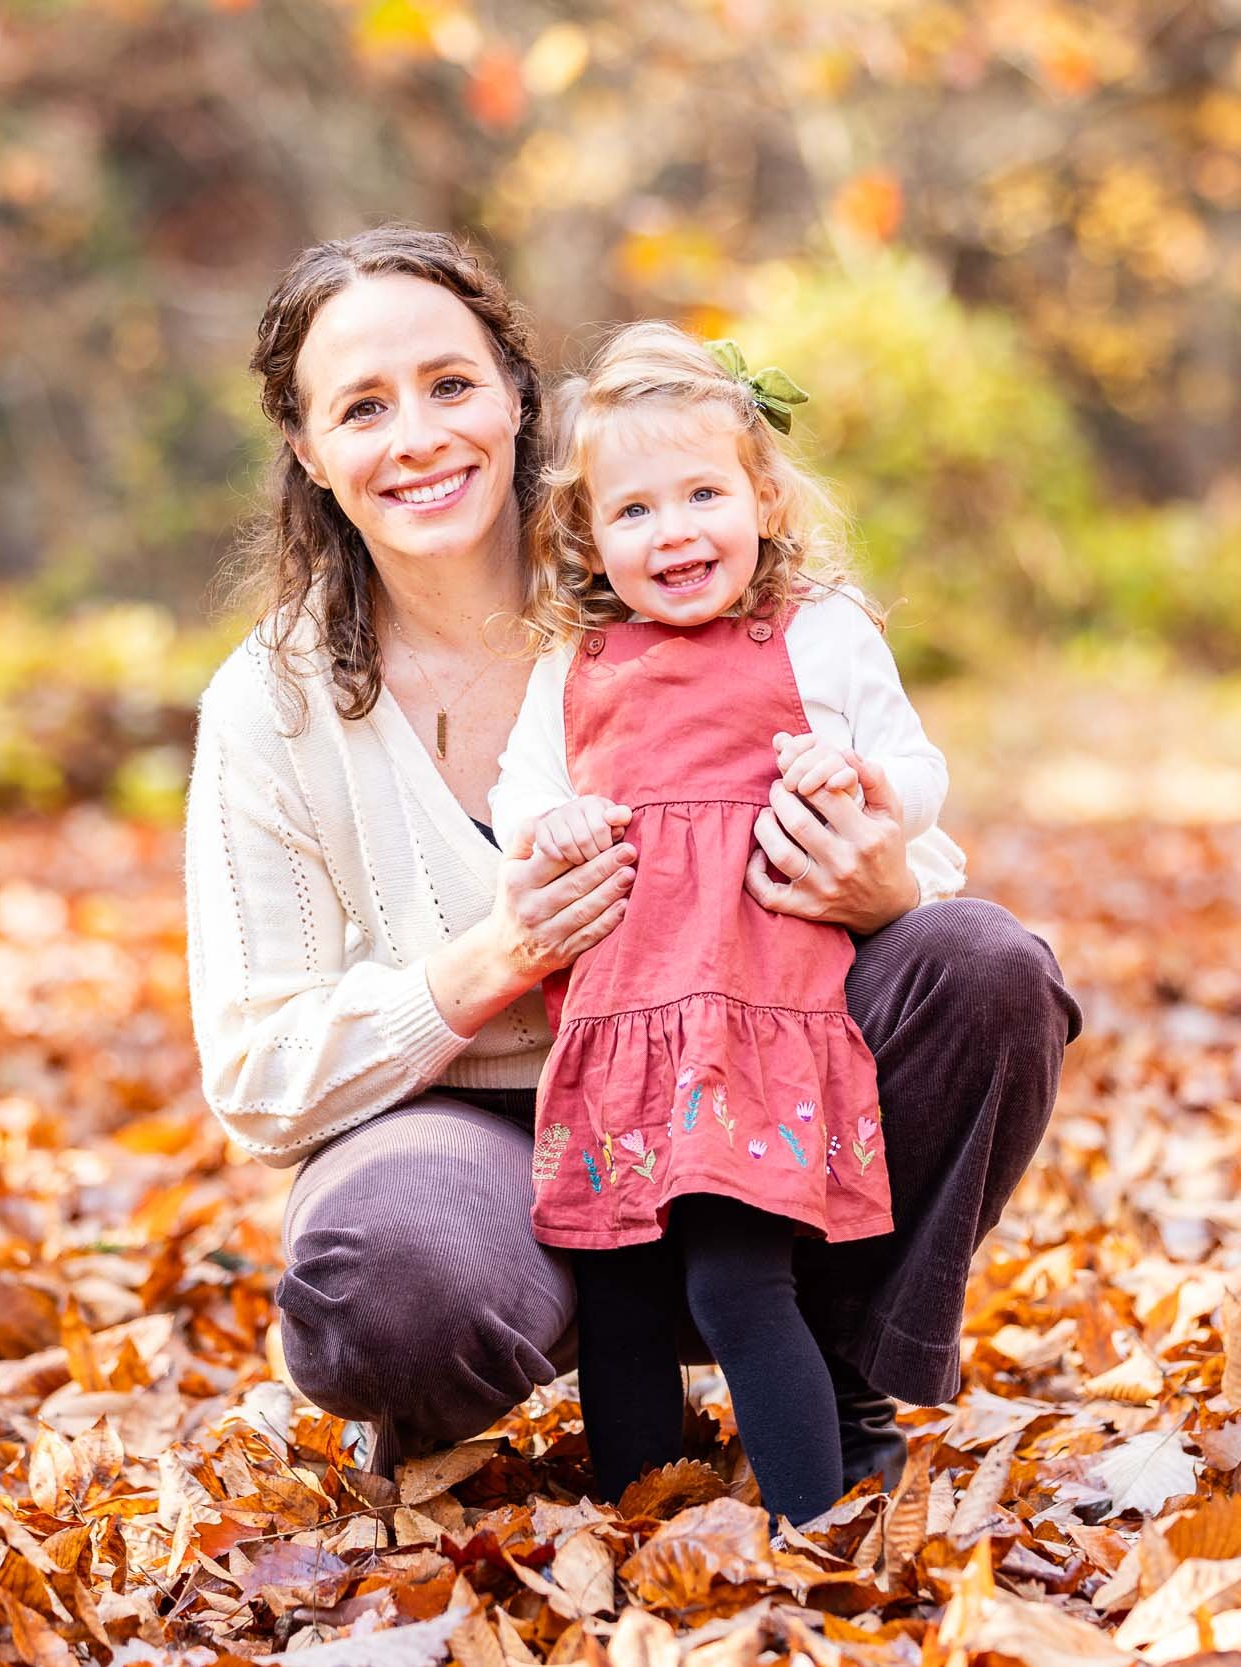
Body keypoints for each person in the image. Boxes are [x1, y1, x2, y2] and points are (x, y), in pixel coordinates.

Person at [183, 226, 1080, 1499]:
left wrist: (883, 883)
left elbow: (908, 831)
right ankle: (505, 1355)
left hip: (751, 1070)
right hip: (482, 1135)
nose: (420, 435)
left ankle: (836, 1351)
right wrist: (496, 957)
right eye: (363, 408)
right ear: (310, 452)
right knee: (382, 1283)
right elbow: (255, 1075)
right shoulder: (270, 708)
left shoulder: (684, 580)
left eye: (450, 385)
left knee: (985, 965)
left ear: (513, 396)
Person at [486, 322, 955, 1522]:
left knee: (741, 1272)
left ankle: (815, 1523)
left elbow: (918, 765)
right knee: (623, 1287)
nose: (675, 530)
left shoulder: (818, 631)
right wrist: (557, 824)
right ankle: (651, 1531)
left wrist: (852, 775)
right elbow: (520, 790)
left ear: (761, 495)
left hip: (759, 1014)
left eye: (703, 493)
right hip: (619, 1017)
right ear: (588, 534)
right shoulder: (577, 663)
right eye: (633, 509)